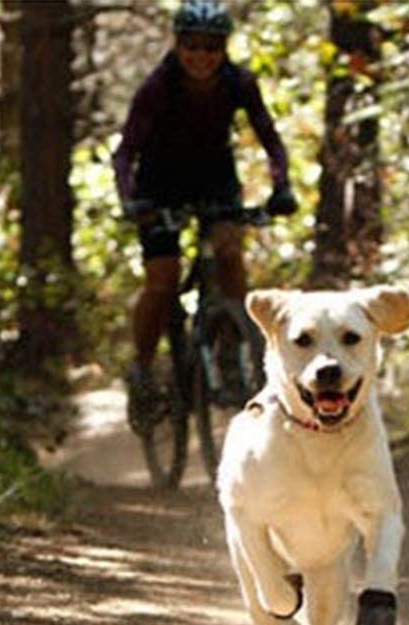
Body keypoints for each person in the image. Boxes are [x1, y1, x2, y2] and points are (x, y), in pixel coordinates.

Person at [113, 0, 298, 433]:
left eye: (211, 47)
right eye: (192, 47)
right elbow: (124, 154)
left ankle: (231, 349)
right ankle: (141, 370)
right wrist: (130, 201)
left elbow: (271, 139)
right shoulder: (157, 87)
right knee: (162, 280)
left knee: (230, 251)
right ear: (177, 46)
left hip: (215, 180)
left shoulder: (239, 83)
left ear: (224, 48)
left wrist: (282, 186)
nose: (201, 56)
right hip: (157, 186)